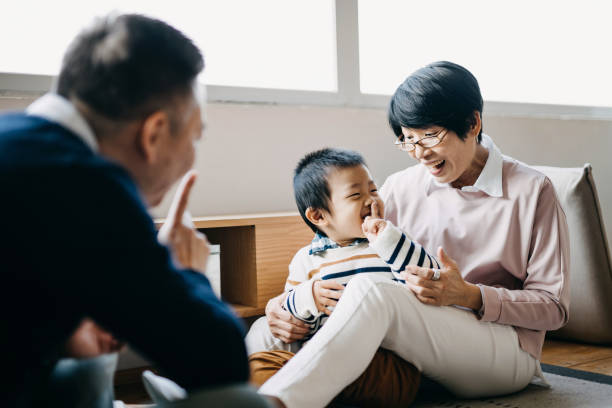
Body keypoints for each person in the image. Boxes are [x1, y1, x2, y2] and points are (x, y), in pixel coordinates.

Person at [258, 61, 570, 408]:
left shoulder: (533, 190)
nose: (420, 152)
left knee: (374, 292)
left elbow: (553, 308)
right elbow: (336, 251)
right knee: (263, 328)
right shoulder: (400, 188)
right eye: (408, 139)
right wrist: (282, 306)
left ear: (472, 123)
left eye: (430, 136)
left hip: (503, 349)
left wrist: (469, 296)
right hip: (417, 344)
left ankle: (278, 402)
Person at [0, 14, 269, 407]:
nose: (193, 155)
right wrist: (187, 272)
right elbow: (219, 361)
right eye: (194, 136)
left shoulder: (18, 142)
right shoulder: (89, 183)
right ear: (154, 133)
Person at [246, 147, 438, 353]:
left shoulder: (391, 244)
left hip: (388, 352)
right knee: (262, 339)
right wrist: (307, 296)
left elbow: (429, 279)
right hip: (330, 351)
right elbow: (290, 322)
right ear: (319, 216)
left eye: (374, 190)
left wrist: (388, 239)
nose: (371, 200)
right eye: (355, 194)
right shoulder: (307, 259)